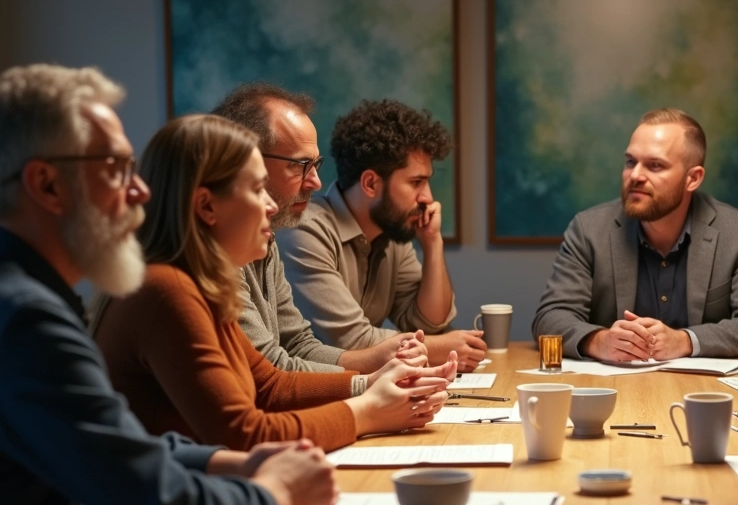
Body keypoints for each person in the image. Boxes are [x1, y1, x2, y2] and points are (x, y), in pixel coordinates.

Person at [0, 63, 338, 505]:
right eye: (115, 168)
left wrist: (234, 462)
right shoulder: (25, 321)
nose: (139, 192)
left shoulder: (39, 300)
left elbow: (124, 445)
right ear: (45, 183)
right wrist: (276, 495)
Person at [92, 113, 454, 452]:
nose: (270, 205)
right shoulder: (168, 290)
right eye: (256, 189)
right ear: (206, 207)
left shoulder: (198, 280)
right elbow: (245, 433)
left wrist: (370, 384)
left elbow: (270, 385)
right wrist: (367, 411)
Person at [532, 108, 738, 360]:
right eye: (631, 162)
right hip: (614, 389)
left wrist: (684, 340)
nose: (636, 176)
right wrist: (600, 341)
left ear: (693, 179)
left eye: (655, 165)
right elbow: (550, 317)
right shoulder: (589, 230)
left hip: (698, 392)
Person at [211, 83, 426, 378]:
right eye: (301, 165)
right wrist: (368, 383)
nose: (314, 181)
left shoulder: (267, 237)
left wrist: (379, 359)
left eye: (316, 164)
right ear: (246, 164)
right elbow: (269, 373)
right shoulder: (212, 252)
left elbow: (298, 344)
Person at [278, 99, 487, 371]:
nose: (428, 198)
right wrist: (442, 348)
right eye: (416, 182)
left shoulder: (390, 231)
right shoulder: (306, 230)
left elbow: (428, 323)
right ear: (370, 183)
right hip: (314, 396)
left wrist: (433, 243)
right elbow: (352, 341)